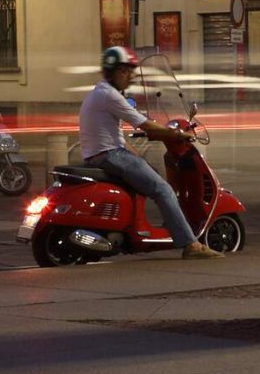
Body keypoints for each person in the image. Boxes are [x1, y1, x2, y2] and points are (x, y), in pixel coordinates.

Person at [78, 46, 210, 257]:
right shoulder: (110, 95)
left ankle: (153, 227)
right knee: (163, 189)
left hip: (99, 154)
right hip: (110, 155)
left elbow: (115, 133)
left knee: (148, 172)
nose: (131, 78)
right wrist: (176, 134)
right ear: (120, 71)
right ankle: (190, 245)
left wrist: (137, 153)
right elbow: (144, 124)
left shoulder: (98, 93)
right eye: (129, 72)